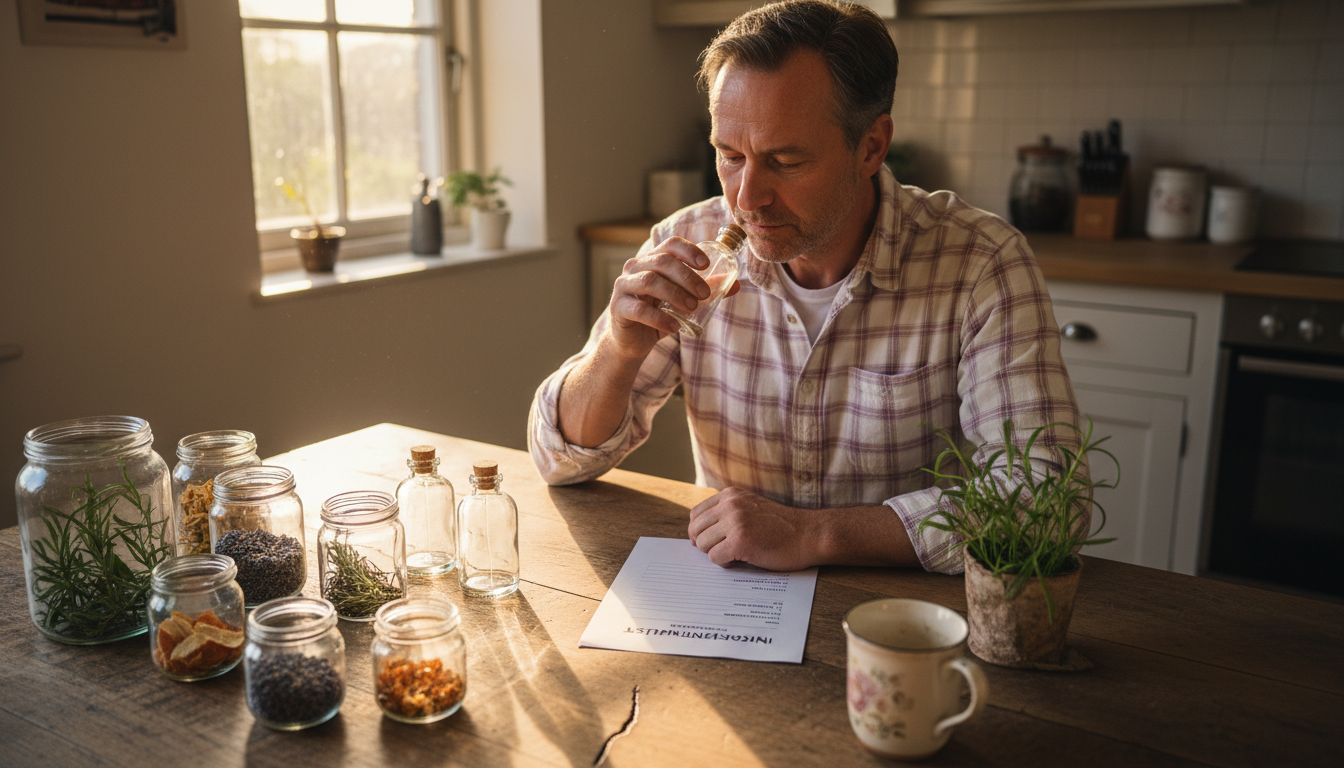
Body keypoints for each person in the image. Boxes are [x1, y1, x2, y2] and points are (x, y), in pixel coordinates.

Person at [527, 0, 1080, 575]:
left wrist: (814, 534)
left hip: (901, 614)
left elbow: (1046, 501)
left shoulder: (980, 265)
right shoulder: (686, 243)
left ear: (870, 146)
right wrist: (618, 348)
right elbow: (558, 459)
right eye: (729, 155)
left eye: (785, 161)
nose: (746, 198)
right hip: (730, 601)